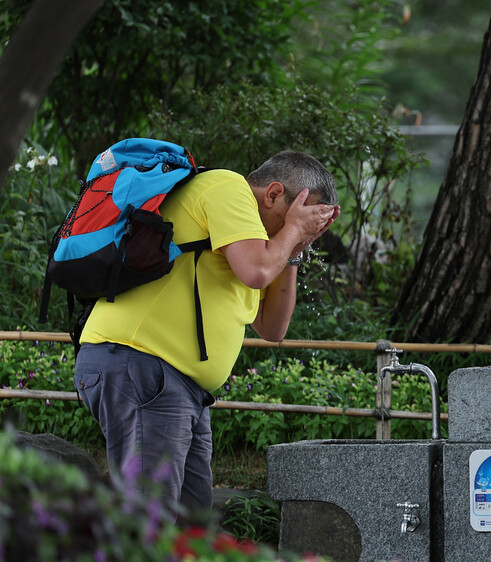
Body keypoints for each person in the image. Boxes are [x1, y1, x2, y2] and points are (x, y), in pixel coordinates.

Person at [73, 150, 339, 520]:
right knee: (150, 521)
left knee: (190, 523)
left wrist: (294, 244)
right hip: (143, 365)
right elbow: (258, 273)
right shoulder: (227, 186)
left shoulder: (257, 244)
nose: (293, 230)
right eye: (296, 218)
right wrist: (291, 231)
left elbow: (272, 327)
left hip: (178, 386)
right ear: (274, 194)